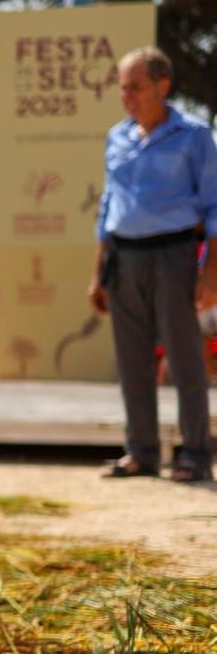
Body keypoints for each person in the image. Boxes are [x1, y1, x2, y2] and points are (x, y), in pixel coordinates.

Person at [89, 46, 217, 481]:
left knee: (185, 361)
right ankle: (141, 452)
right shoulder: (115, 137)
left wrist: (211, 271)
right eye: (122, 88)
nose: (127, 96)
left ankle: (196, 453)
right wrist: (98, 273)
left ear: (164, 86)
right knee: (131, 362)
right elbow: (108, 206)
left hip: (174, 255)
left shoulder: (195, 136)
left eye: (136, 87)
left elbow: (214, 208)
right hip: (123, 258)